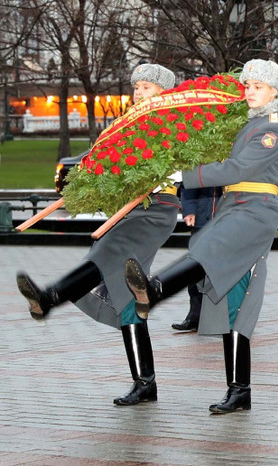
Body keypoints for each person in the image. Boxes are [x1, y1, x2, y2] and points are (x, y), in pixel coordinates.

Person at [124, 59, 278, 413]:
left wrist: (182, 173)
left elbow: (236, 168)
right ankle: (239, 391)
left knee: (210, 248)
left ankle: (155, 290)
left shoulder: (273, 129)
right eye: (247, 86)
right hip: (235, 204)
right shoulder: (247, 124)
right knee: (234, 302)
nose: (250, 92)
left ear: (274, 91)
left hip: (257, 208)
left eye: (258, 87)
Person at [16, 63, 180, 406]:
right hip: (129, 209)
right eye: (137, 87)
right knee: (126, 295)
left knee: (105, 255)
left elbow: (156, 165)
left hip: (155, 208)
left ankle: (49, 298)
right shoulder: (128, 123)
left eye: (147, 87)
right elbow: (105, 158)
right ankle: (145, 383)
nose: (139, 93)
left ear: (163, 91)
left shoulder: (170, 124)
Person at [172, 185, 222, 332]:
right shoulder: (201, 161)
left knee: (224, 271)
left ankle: (225, 318)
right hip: (202, 219)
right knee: (196, 270)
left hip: (230, 220)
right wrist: (189, 210)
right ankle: (194, 316)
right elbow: (189, 184)